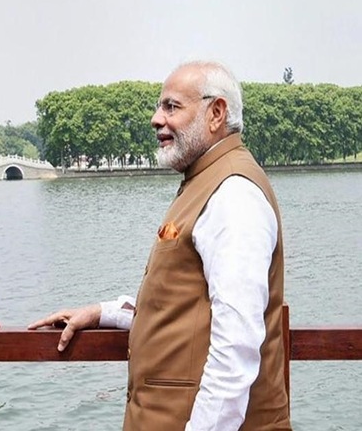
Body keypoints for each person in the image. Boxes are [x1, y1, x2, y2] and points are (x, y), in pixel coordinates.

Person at [29, 61, 292, 430]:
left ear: (216, 113)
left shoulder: (234, 193)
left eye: (171, 107)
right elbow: (186, 309)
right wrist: (105, 313)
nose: (156, 119)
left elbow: (235, 348)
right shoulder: (207, 181)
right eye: (159, 107)